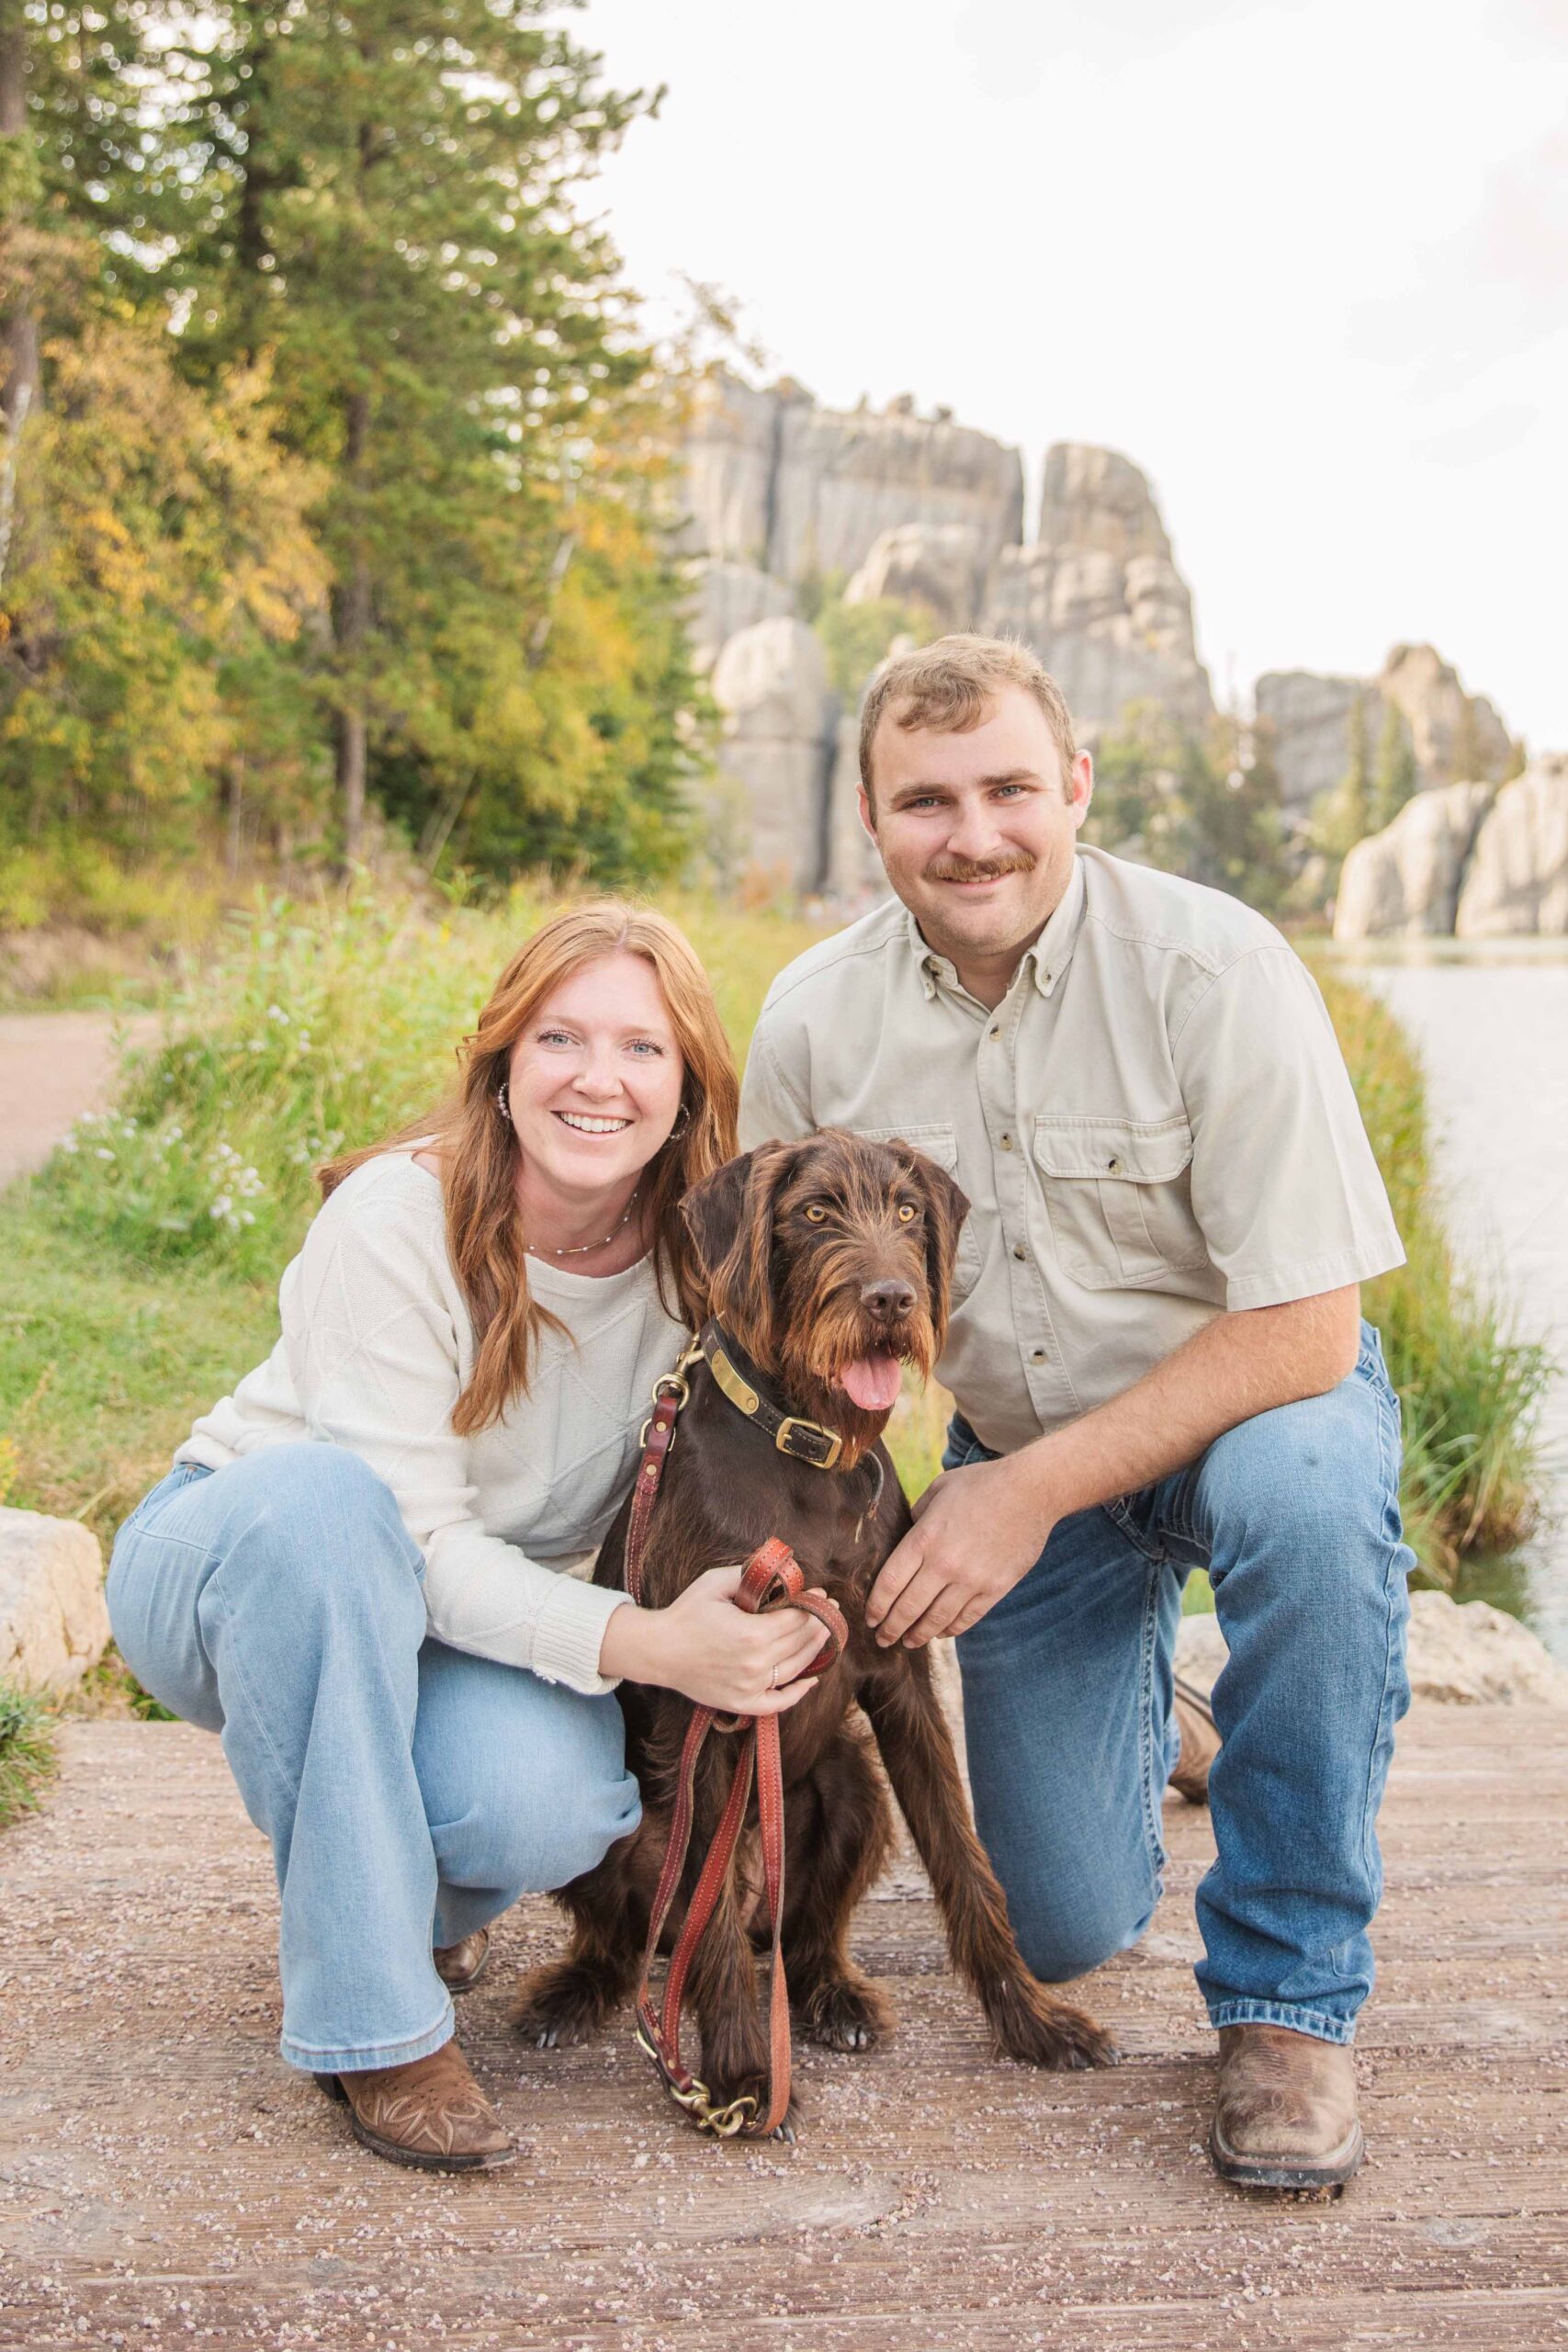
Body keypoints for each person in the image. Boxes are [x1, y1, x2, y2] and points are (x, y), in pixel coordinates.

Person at [739, 635, 1413, 2191]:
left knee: (1310, 1506)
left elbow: (1310, 1323)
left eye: (1008, 789)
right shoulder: (815, 1022)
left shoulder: (1216, 967)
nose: (972, 834)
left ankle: (1289, 2004)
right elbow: (748, 1287)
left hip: (1255, 1415)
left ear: (1076, 788)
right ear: (869, 814)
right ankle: (1172, 1717)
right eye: (926, 800)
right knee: (1061, 1923)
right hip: (1020, 1462)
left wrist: (1021, 1494)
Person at [107, 901, 828, 2174]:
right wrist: (649, 1642)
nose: (598, 1079)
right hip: (246, 1563)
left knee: (554, 1801)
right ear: (503, 1066)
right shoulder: (400, 1216)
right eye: (560, 1038)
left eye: (642, 1049)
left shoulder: (696, 1263)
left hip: (442, 1620)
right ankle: (376, 2027)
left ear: (689, 1085)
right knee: (334, 1508)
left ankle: (394, 1904)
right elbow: (411, 1541)